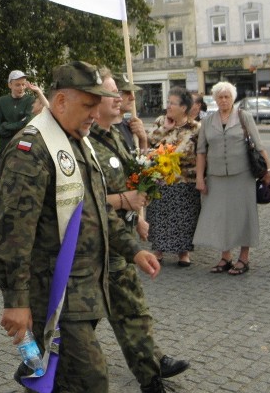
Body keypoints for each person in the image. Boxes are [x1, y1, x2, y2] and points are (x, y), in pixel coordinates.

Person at [0, 61, 160, 393]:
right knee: (90, 380)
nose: (95, 115)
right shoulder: (32, 149)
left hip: (84, 291)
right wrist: (16, 301)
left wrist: (133, 249)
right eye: (88, 105)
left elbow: (95, 209)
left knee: (55, 380)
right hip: (52, 295)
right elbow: (11, 234)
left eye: (98, 105)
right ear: (62, 101)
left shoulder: (78, 140)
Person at [89, 70, 189, 392]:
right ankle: (40, 357)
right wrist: (123, 201)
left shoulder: (116, 134)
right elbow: (79, 199)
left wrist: (144, 142)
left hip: (121, 238)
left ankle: (152, 371)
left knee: (131, 310)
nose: (120, 99)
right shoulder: (86, 142)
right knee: (91, 317)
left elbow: (134, 177)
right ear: (94, 99)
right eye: (112, 93)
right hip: (95, 243)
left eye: (120, 92)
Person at [193, 81, 270, 276]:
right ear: (215, 99)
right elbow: (201, 152)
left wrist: (268, 170)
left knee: (243, 215)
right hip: (216, 176)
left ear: (233, 98)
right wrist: (199, 178)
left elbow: (258, 144)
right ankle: (225, 256)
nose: (223, 100)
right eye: (220, 97)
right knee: (221, 217)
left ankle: (244, 258)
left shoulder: (243, 117)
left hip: (242, 175)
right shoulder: (207, 121)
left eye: (227, 96)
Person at [146, 87, 201, 267]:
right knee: (160, 214)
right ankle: (158, 250)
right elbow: (149, 141)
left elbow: (201, 153)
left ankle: (183, 253)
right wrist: (164, 129)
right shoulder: (161, 121)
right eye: (168, 102)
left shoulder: (195, 128)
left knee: (184, 216)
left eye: (172, 103)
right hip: (161, 178)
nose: (168, 106)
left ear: (184, 108)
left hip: (185, 179)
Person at [0, 70, 34, 167]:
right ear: (10, 85)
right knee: (2, 181)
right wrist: (17, 127)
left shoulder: (30, 100)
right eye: (17, 85)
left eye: (23, 84)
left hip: (24, 152)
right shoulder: (2, 101)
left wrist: (5, 125)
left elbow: (27, 124)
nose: (21, 88)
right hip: (4, 151)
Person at [116, 74, 148, 153]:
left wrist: (143, 140)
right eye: (126, 93)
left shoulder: (129, 126)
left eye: (132, 93)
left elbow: (140, 160)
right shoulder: (103, 129)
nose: (132, 98)